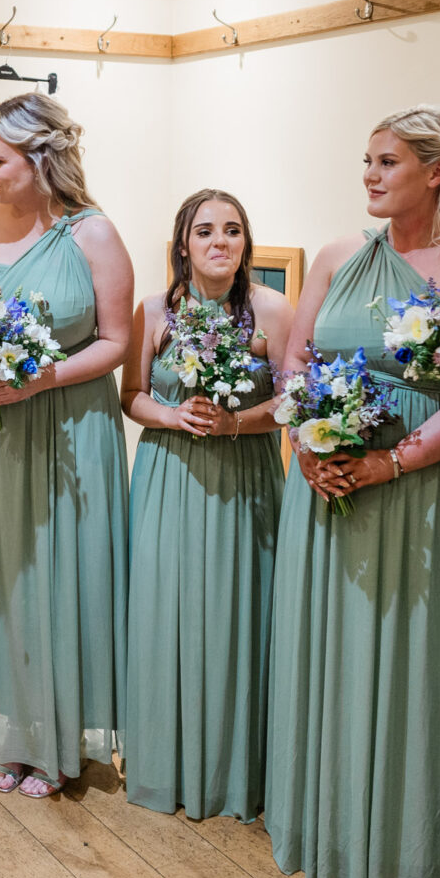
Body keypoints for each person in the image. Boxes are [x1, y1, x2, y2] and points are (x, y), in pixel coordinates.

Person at [262, 105, 440, 878]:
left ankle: (404, 845)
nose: (370, 177)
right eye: (368, 162)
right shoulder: (343, 254)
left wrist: (391, 464)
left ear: (436, 171)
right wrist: (311, 446)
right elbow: (297, 363)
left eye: (387, 163)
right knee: (328, 654)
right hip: (327, 484)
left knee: (415, 663)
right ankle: (330, 829)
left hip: (427, 492)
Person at [0, 92, 133, 798]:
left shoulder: (93, 234)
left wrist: (37, 380)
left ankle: (62, 738)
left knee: (65, 575)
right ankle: (15, 731)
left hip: (68, 429)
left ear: (39, 157)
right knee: (6, 575)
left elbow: (116, 342)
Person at [120, 188, 291, 820]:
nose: (220, 242)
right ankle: (164, 758)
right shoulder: (153, 311)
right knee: (166, 612)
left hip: (245, 479)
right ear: (182, 244)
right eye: (205, 231)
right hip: (168, 477)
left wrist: (237, 424)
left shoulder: (273, 311)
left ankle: (234, 769)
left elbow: (294, 401)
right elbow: (130, 394)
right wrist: (169, 415)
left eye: (234, 231)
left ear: (246, 243)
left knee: (237, 612)